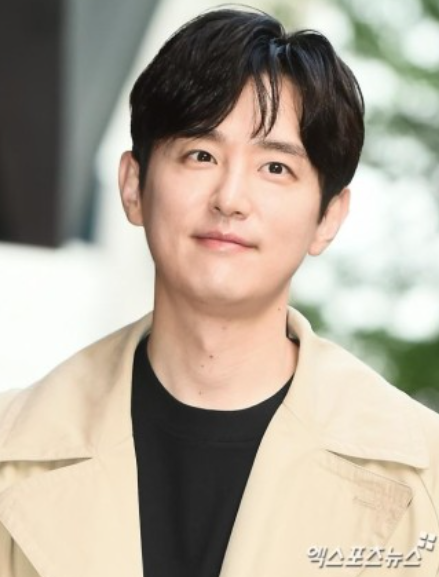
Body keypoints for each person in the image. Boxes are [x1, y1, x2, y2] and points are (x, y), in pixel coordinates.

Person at [1, 7, 438, 577]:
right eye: (201, 155)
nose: (230, 198)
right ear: (133, 185)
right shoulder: (11, 447)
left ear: (328, 217)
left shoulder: (424, 474)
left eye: (275, 168)